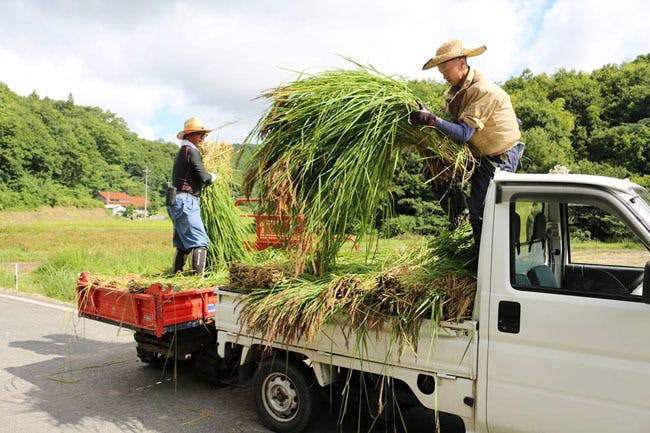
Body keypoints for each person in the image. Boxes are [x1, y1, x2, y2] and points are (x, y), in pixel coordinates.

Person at [410, 39, 524, 251]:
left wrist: (432, 120)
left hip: (500, 156)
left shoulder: (484, 90)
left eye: (445, 68)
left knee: (482, 210)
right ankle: (460, 222)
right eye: (440, 70)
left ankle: (483, 262)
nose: (442, 74)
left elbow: (463, 133)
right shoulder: (454, 90)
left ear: (462, 63)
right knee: (434, 174)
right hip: (475, 153)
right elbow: (450, 122)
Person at [167, 117, 216, 275]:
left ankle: (176, 274)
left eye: (204, 135)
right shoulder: (191, 151)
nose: (202, 137)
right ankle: (197, 279)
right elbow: (204, 177)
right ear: (189, 135)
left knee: (182, 243)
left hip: (177, 200)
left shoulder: (182, 152)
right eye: (199, 134)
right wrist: (214, 176)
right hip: (186, 200)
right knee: (199, 242)